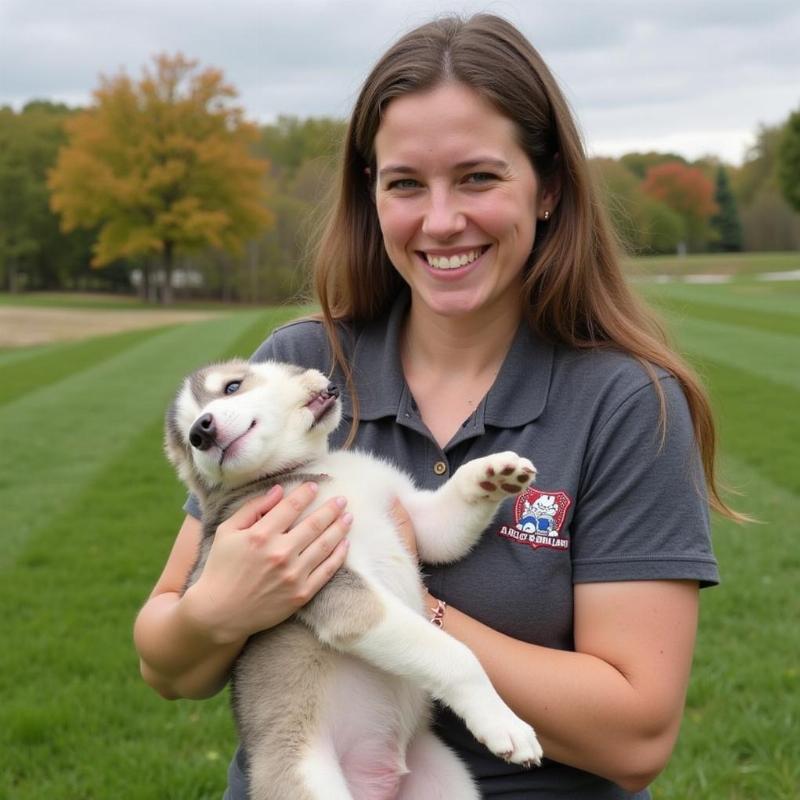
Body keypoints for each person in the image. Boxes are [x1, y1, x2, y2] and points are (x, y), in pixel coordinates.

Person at [134, 14, 734, 799]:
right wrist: (223, 607)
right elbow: (165, 663)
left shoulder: (626, 403)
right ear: (372, 194)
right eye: (406, 183)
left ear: (548, 187)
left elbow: (636, 735)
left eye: (479, 178)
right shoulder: (295, 369)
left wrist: (399, 606)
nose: (441, 220)